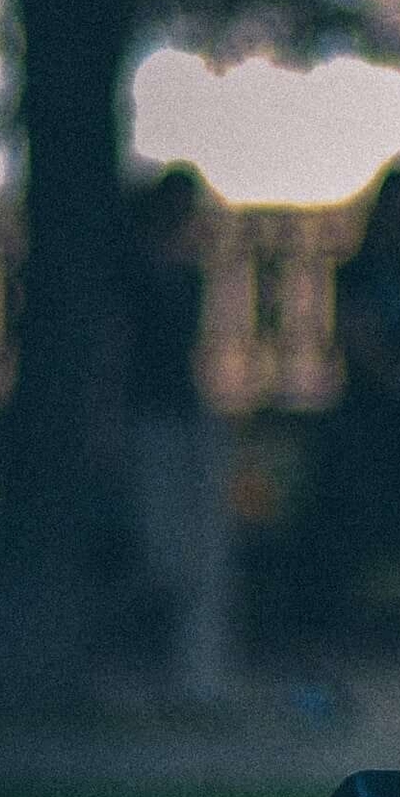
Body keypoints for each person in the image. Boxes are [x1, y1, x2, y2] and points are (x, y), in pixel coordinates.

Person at [121, 164, 236, 706]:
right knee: (163, 551)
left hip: (185, 414)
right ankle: (169, 670)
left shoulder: (189, 275)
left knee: (202, 554)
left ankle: (198, 678)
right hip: (148, 417)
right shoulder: (133, 276)